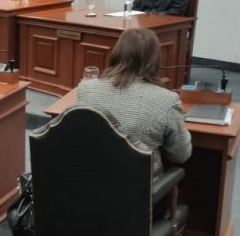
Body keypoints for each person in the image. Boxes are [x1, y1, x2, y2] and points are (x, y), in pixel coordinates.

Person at [77, 28, 191, 175]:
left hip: (90, 179)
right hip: (140, 186)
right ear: (154, 60)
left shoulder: (86, 88)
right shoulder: (167, 100)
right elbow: (181, 155)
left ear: (116, 53)